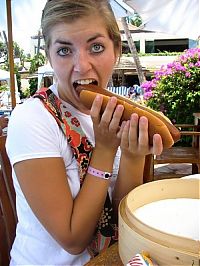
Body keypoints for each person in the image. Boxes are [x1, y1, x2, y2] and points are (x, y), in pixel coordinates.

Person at [6, 0, 163, 265]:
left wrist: (133, 157)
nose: (81, 65)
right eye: (64, 50)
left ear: (117, 50)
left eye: (96, 47)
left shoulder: (114, 111)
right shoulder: (32, 119)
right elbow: (73, 240)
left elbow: (118, 221)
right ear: (49, 56)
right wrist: (105, 148)